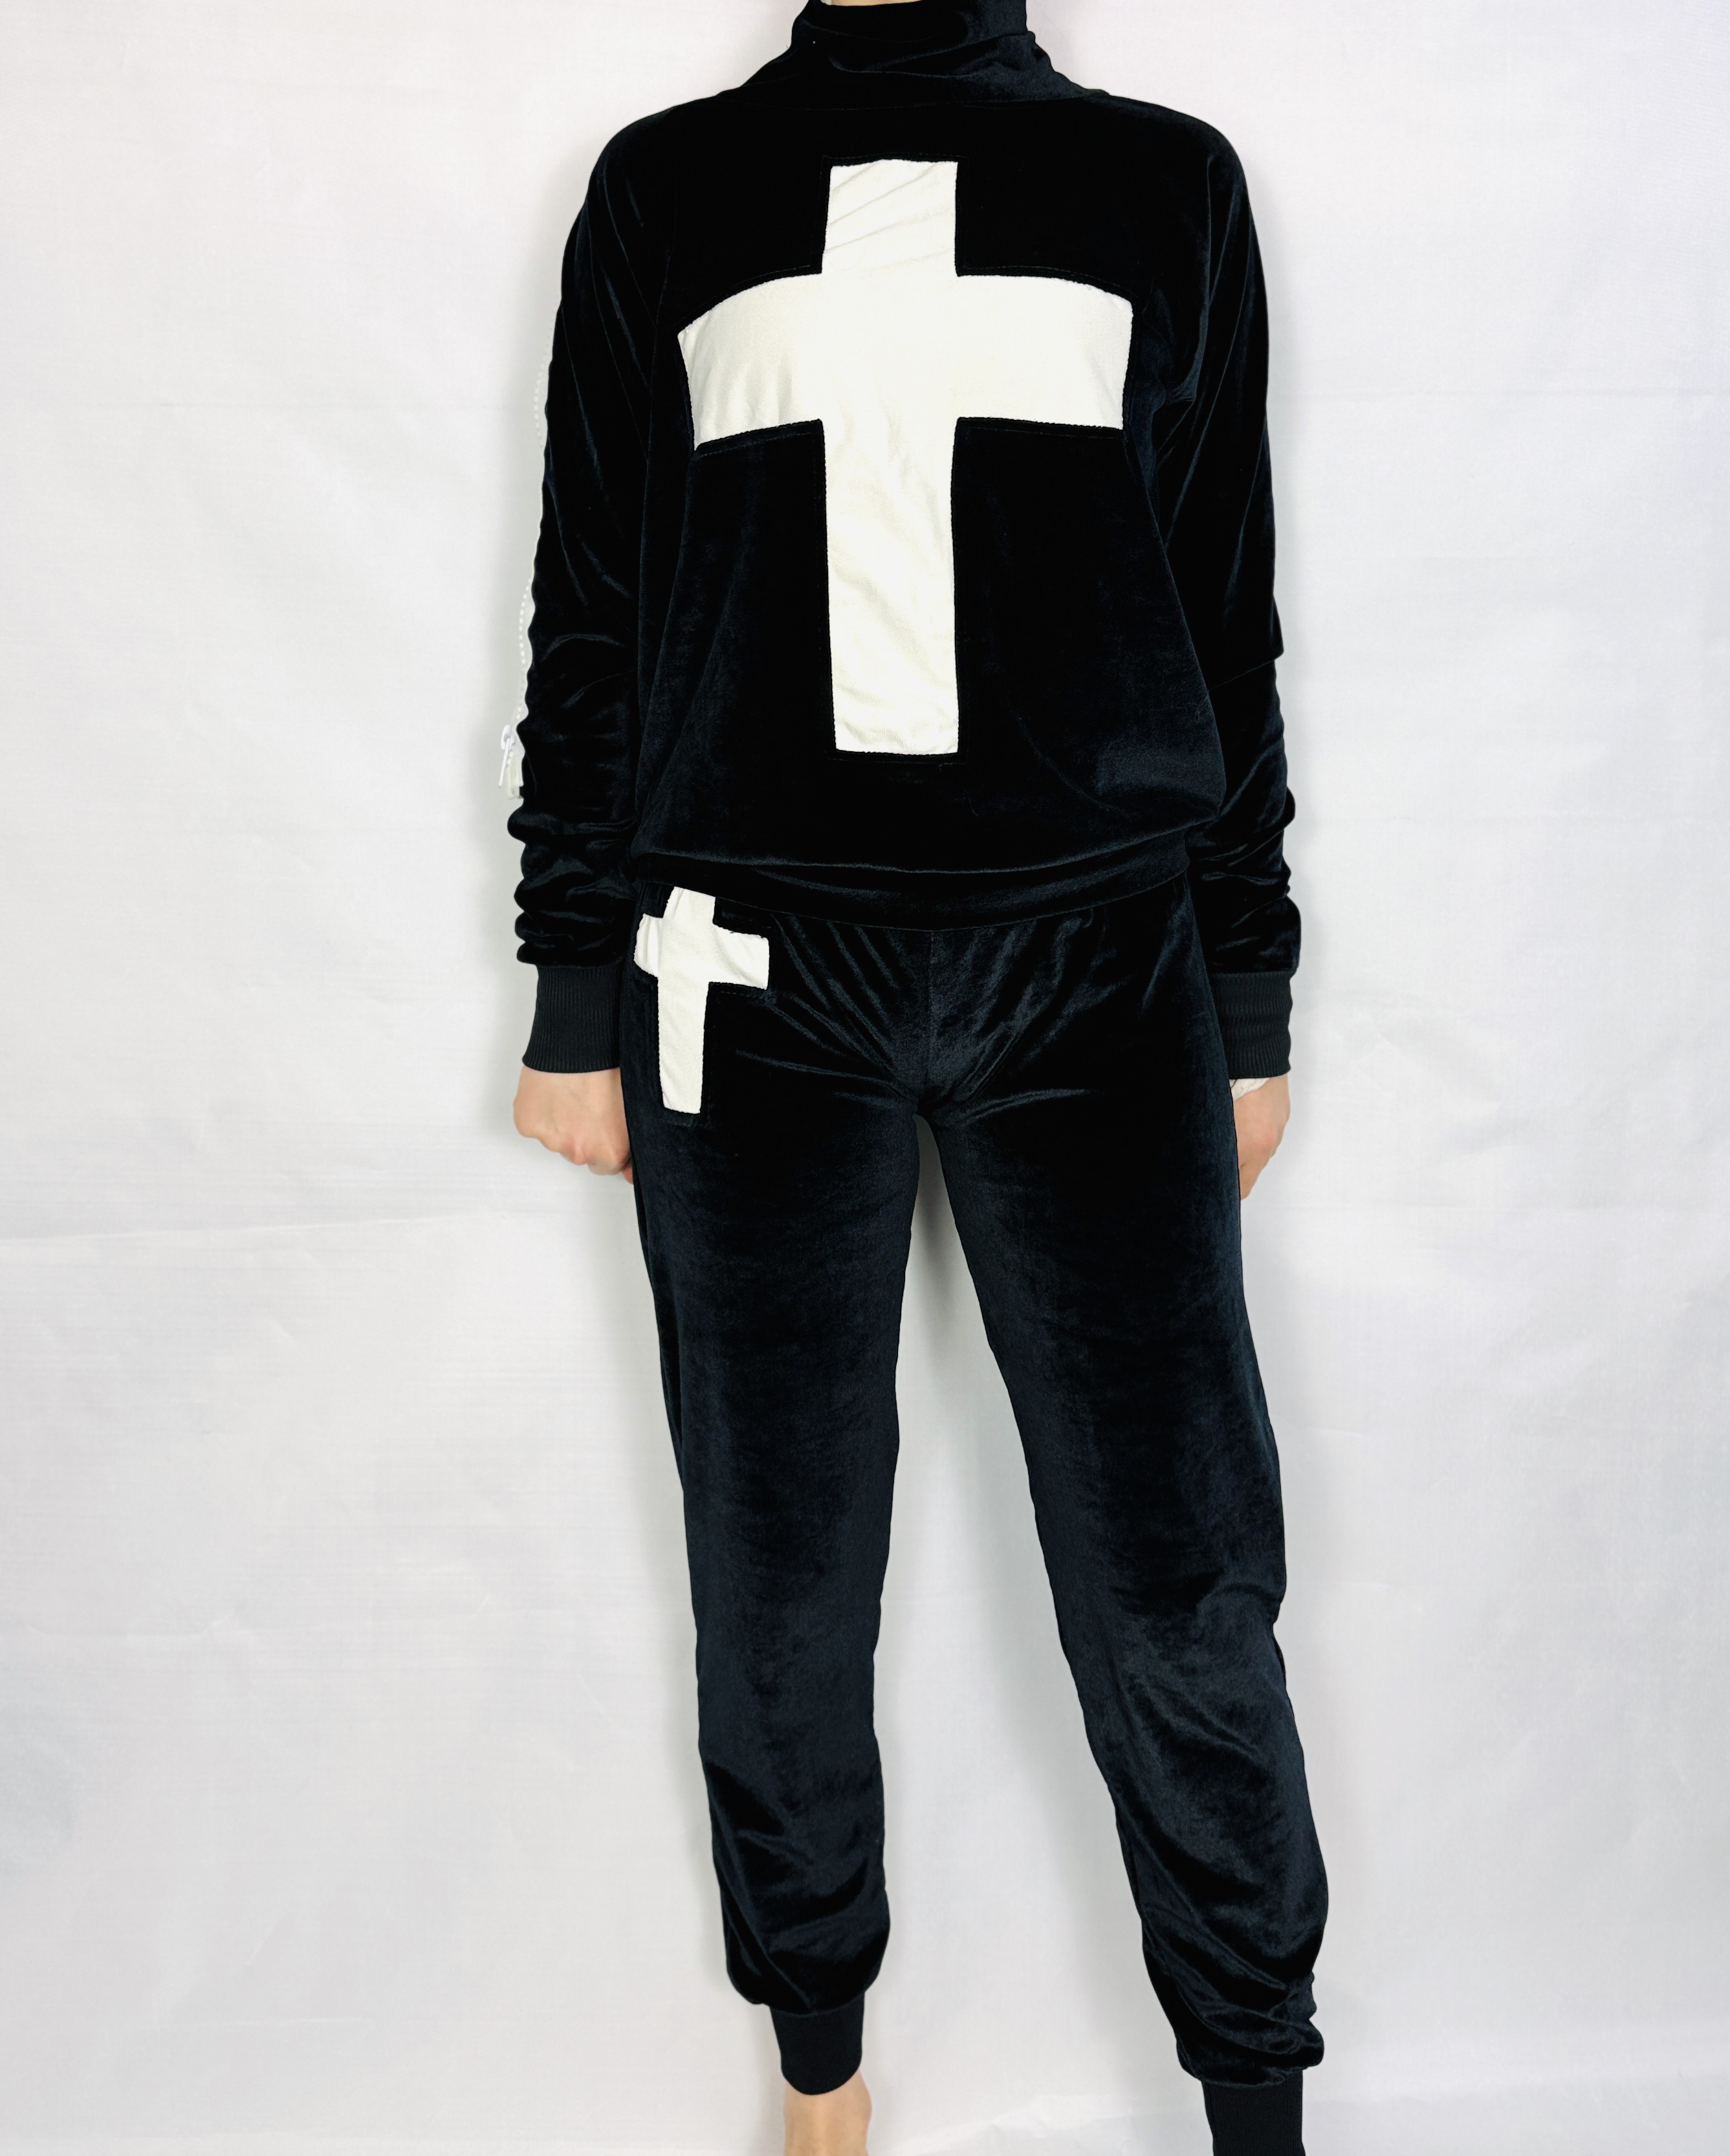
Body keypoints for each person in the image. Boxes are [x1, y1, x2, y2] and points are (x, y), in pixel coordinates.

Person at [507, 3, 1326, 2151]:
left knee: (1174, 1569)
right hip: (745, 972)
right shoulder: (667, 189)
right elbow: (592, 602)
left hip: (1102, 962)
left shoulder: (1164, 182)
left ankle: (1253, 2091)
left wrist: (1244, 986)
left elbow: (1222, 600)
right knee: (777, 1562)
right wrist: (574, 983)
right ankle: (820, 2070)